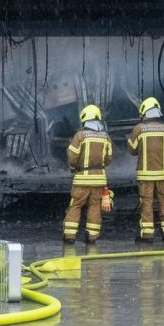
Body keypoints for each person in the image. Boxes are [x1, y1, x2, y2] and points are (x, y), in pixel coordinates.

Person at [127, 97, 164, 242]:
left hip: (146, 174)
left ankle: (148, 235)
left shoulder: (139, 129)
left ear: (144, 112)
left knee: (146, 202)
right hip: (163, 174)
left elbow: (131, 149)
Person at [62, 104, 113, 243]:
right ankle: (92, 237)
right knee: (95, 206)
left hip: (82, 179)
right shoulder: (106, 137)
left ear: (85, 118)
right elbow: (108, 158)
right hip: (100, 180)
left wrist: (74, 168)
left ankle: (70, 237)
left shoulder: (80, 135)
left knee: (76, 205)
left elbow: (72, 156)